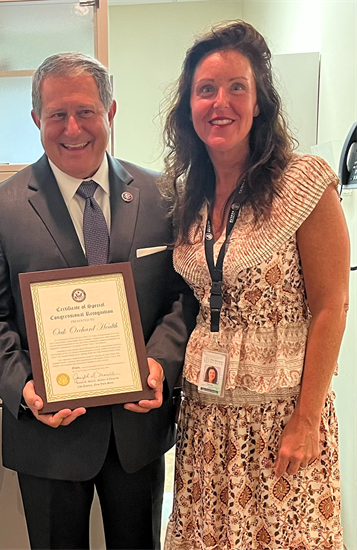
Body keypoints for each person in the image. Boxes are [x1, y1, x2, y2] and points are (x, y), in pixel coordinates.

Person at [0, 52, 198, 550]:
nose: (73, 128)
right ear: (36, 120)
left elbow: (182, 297)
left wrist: (158, 362)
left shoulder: (163, 196)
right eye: (57, 114)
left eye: (86, 111)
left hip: (136, 434)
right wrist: (24, 387)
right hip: (48, 435)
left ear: (110, 111)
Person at [160, 21, 349, 550]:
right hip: (205, 419)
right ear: (188, 106)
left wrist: (308, 419)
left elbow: (332, 305)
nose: (220, 102)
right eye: (206, 90)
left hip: (280, 419)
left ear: (260, 101)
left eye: (236, 87)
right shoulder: (186, 197)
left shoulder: (302, 182)